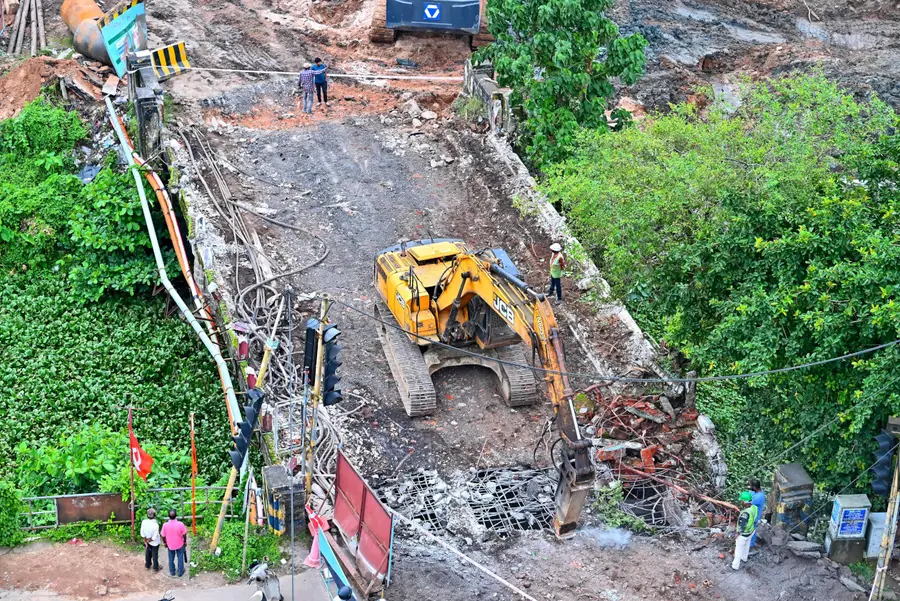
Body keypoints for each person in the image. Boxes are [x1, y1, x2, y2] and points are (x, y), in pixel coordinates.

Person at [732, 491, 758, 570]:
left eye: (742, 501)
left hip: (744, 534)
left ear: (745, 501)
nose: (741, 502)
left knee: (738, 550)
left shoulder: (745, 513)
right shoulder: (754, 507)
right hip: (751, 531)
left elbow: (741, 526)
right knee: (747, 545)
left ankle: (735, 566)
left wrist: (737, 534)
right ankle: (744, 558)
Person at [160, 509, 188, 577]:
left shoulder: (165, 525)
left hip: (170, 545)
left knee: (171, 558)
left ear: (168, 516)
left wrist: (165, 543)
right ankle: (180, 572)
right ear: (176, 515)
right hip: (180, 544)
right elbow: (184, 534)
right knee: (180, 557)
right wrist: (184, 541)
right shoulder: (180, 524)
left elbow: (163, 536)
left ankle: (172, 572)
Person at [749, 478, 766, 548]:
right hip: (751, 513)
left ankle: (751, 545)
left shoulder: (759, 497)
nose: (750, 487)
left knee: (751, 529)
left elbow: (747, 503)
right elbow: (749, 493)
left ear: (755, 487)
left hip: (754, 516)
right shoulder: (757, 491)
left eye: (751, 486)